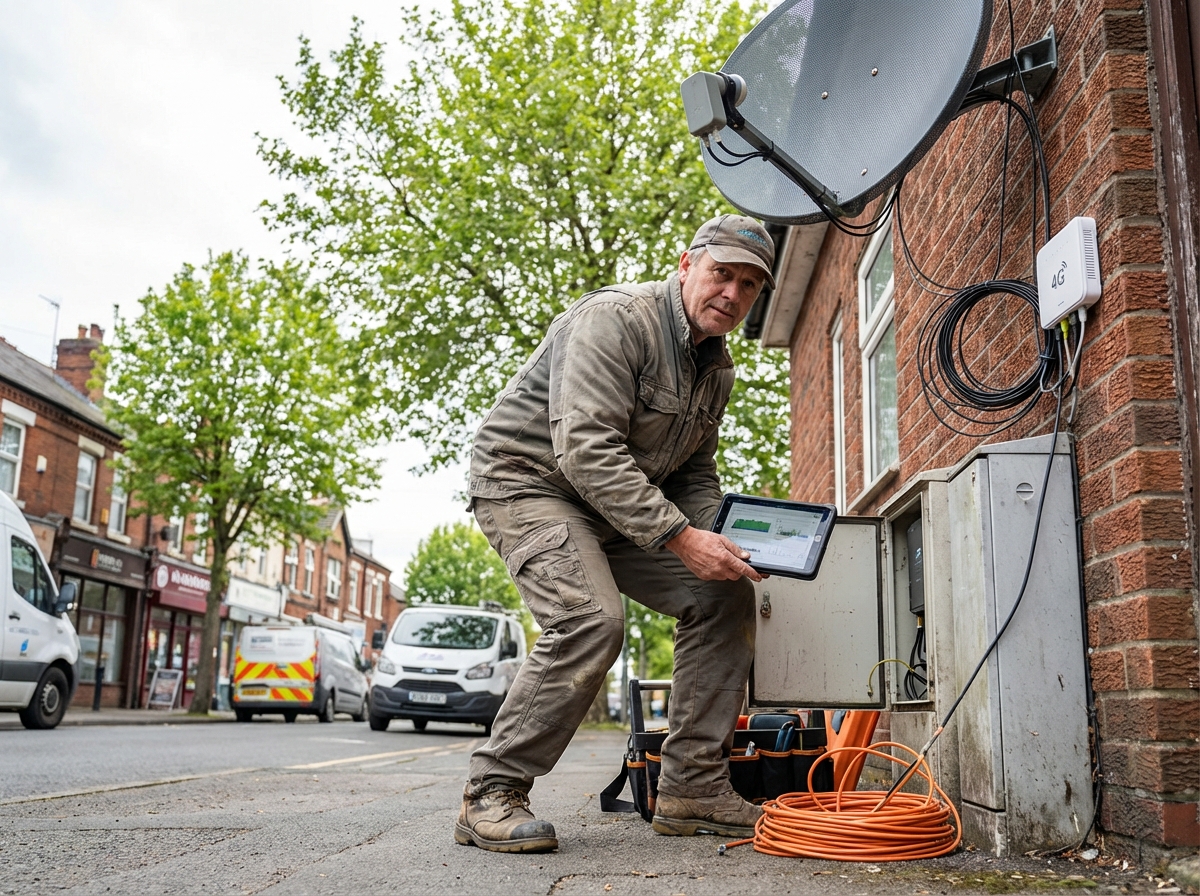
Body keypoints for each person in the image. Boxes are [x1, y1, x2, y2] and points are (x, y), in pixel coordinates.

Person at [455, 214, 776, 853]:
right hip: (530, 483)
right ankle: (491, 792)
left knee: (725, 594)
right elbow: (585, 447)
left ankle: (692, 787)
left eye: (749, 285)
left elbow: (693, 474)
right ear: (687, 265)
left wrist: (725, 540)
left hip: (619, 506)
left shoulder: (717, 368)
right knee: (591, 619)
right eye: (721, 273)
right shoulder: (615, 320)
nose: (732, 294)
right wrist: (681, 537)